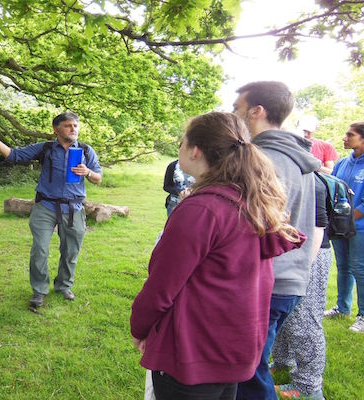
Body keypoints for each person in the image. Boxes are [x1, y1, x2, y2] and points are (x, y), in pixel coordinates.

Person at [130, 112, 304, 400]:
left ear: (195, 150)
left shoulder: (203, 210)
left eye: (182, 142)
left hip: (192, 354)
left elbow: (162, 287)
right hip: (231, 350)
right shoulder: (249, 201)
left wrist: (139, 327)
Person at [233, 81, 320, 400]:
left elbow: (253, 225)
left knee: (248, 372)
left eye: (237, 108)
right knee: (252, 366)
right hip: (290, 279)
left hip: (266, 281)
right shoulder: (298, 156)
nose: (233, 114)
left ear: (256, 112)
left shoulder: (263, 158)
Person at [0, 112, 102, 308]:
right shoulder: (45, 148)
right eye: (68, 125)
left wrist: (88, 172)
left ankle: (64, 286)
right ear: (56, 129)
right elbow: (12, 154)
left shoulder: (85, 150)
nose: (73, 129)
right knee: (39, 250)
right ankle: (39, 290)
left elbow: (98, 178)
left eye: (75, 125)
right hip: (45, 206)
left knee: (70, 251)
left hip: (74, 208)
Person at [270, 174, 330, 400]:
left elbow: (318, 227)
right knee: (285, 316)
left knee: (305, 321)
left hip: (309, 256)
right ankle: (283, 361)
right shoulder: (289, 172)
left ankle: (309, 387)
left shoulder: (310, 180)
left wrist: (305, 266)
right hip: (290, 252)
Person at [324, 122, 364, 333]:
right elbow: (332, 191)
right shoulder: (341, 163)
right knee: (343, 268)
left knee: (360, 269)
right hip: (339, 227)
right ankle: (342, 308)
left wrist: (347, 220)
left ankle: (363, 316)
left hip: (360, 228)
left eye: (350, 134)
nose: (345, 138)